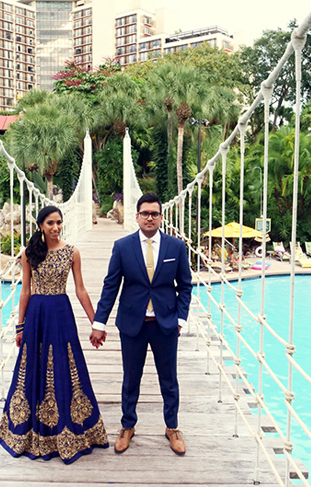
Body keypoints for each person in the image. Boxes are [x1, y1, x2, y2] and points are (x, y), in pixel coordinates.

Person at [0, 206, 108, 464]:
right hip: (36, 315)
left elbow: (80, 290)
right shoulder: (29, 253)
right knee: (33, 368)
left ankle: (70, 430)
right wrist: (20, 326)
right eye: (50, 223)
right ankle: (37, 432)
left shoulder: (72, 252)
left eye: (59, 222)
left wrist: (96, 323)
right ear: (41, 226)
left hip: (60, 313)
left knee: (66, 366)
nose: (56, 227)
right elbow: (25, 290)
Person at [92, 192, 193, 456]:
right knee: (130, 378)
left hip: (166, 324)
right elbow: (110, 286)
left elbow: (185, 286)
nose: (150, 217)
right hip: (132, 324)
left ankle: (172, 427)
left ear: (161, 217)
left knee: (169, 379)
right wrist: (99, 322)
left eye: (154, 213)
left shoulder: (176, 247)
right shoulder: (122, 246)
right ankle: (128, 425)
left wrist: (180, 319)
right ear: (136, 216)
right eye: (145, 213)